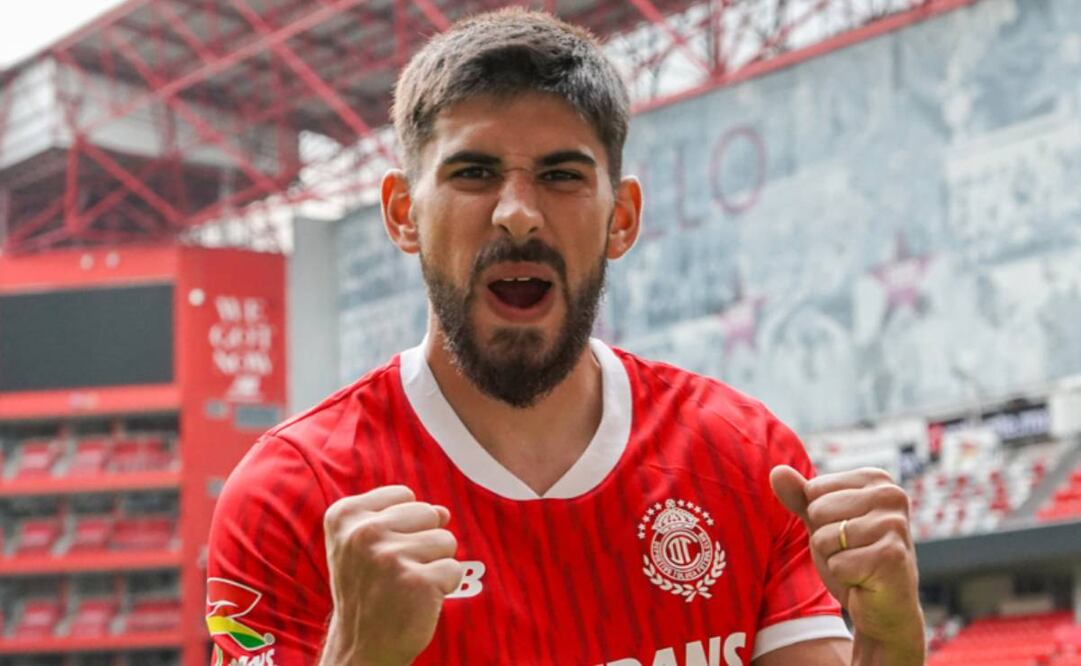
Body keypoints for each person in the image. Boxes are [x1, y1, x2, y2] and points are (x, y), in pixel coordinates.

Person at [206, 8, 925, 666]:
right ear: (401, 214)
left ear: (622, 218)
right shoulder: (286, 497)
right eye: (474, 172)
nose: (516, 214)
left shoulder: (746, 459)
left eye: (560, 175)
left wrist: (890, 639)